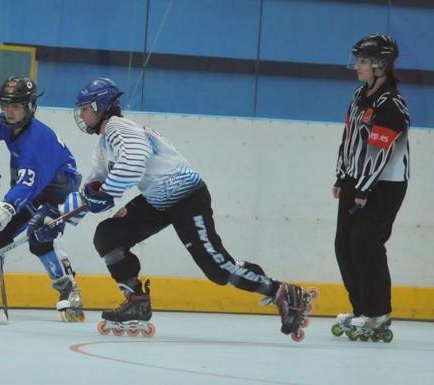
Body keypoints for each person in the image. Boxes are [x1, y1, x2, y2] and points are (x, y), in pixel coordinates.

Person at [66, 77, 316, 339]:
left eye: (84, 108)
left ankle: (281, 292)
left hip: (187, 198)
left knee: (217, 268)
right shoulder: (104, 144)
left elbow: (134, 162)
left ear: (100, 105)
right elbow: (91, 186)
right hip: (158, 201)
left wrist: (107, 192)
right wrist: (56, 219)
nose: (81, 115)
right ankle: (136, 299)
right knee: (108, 235)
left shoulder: (119, 127)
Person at [0, 76, 85, 322]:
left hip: (58, 188)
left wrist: (7, 207)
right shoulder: (2, 123)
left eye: (16, 106)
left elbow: (28, 183)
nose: (9, 111)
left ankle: (69, 289)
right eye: (5, 105)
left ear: (29, 107)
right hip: (28, 185)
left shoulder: (37, 140)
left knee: (41, 237)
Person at [332, 34, 409, 338]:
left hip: (384, 186)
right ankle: (363, 309)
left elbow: (380, 152)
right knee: (344, 245)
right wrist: (343, 176)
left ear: (380, 65)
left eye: (362, 61)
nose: (357, 67)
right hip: (357, 180)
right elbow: (349, 137)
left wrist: (363, 189)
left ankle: (379, 313)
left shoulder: (391, 104)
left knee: (366, 242)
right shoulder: (358, 95)